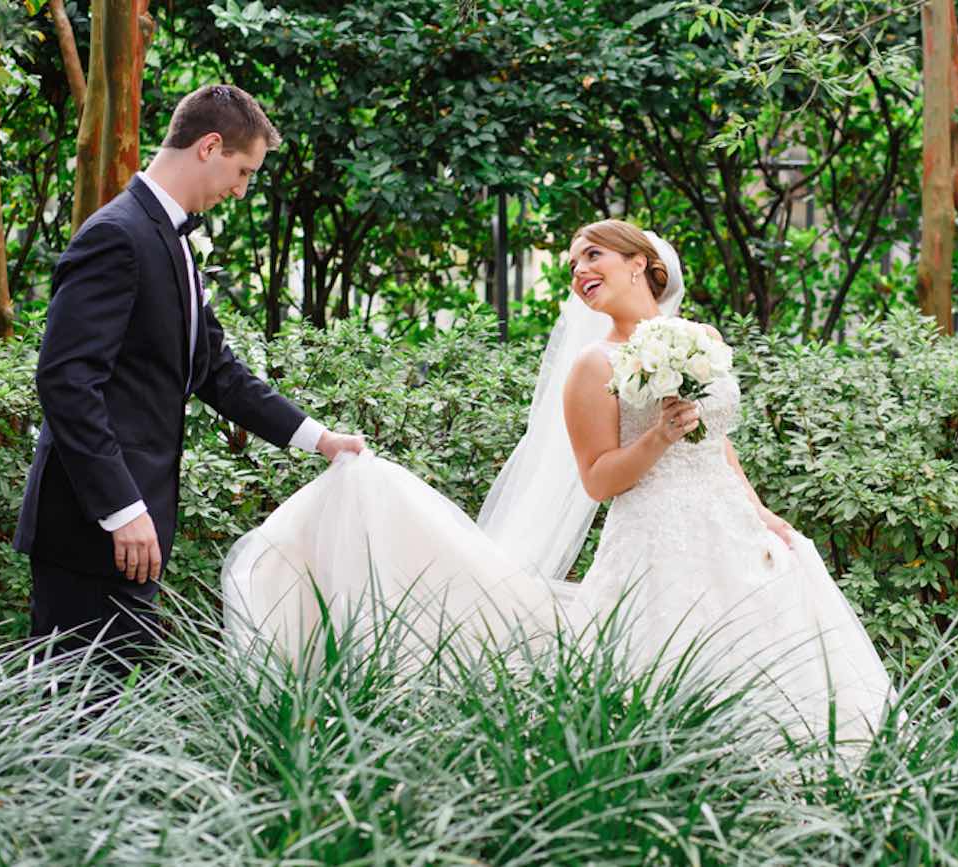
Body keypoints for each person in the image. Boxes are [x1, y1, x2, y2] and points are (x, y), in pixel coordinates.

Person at [223, 220, 892, 743]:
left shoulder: (699, 339)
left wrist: (761, 511)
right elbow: (600, 480)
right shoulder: (590, 365)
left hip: (731, 528)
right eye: (573, 264)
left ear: (640, 263)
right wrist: (657, 435)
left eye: (593, 255)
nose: (580, 271)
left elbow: (719, 445)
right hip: (656, 538)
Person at [14, 84, 364, 668]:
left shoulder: (170, 240)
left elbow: (215, 371)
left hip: (132, 531)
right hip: (91, 529)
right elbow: (66, 382)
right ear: (209, 146)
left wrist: (319, 439)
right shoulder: (116, 235)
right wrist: (122, 511)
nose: (241, 188)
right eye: (244, 170)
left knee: (113, 722)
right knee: (70, 719)